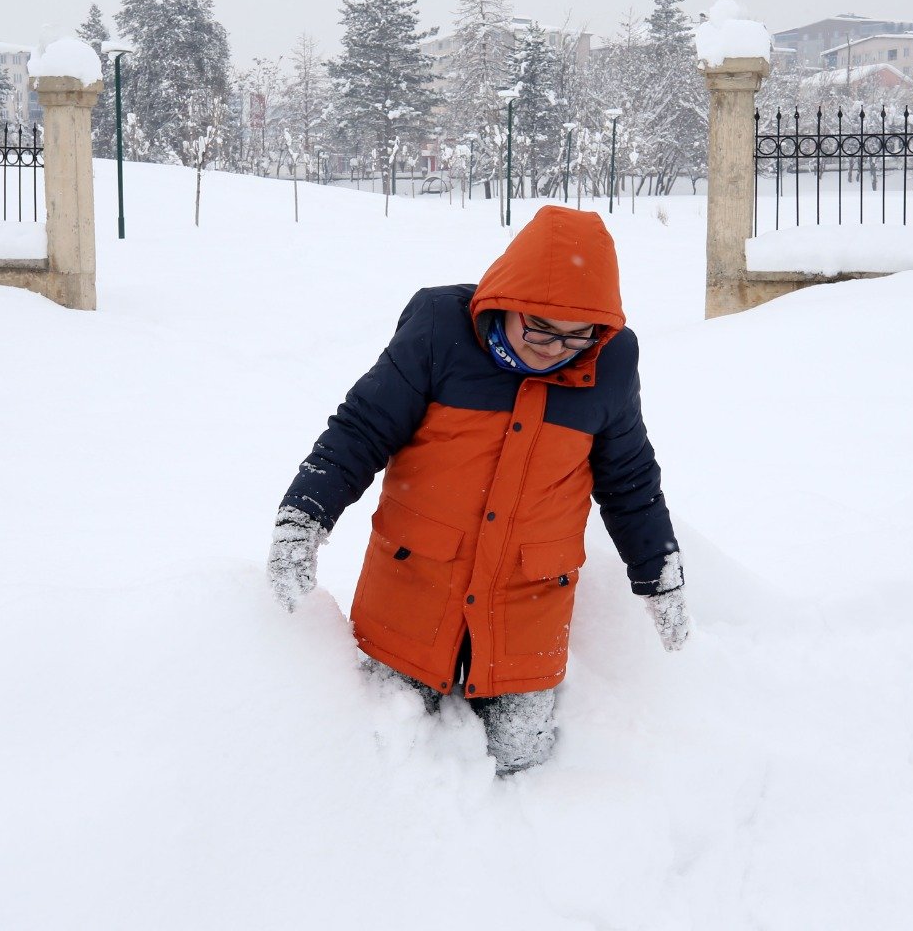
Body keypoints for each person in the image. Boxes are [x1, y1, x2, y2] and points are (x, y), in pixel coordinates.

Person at [266, 204, 688, 774]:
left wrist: (659, 575)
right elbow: (361, 429)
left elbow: (630, 477)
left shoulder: (610, 362)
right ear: (506, 304)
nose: (556, 348)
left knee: (525, 769)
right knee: (387, 753)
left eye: (577, 337)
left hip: (528, 608)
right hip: (412, 595)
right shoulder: (441, 330)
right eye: (539, 328)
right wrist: (303, 517)